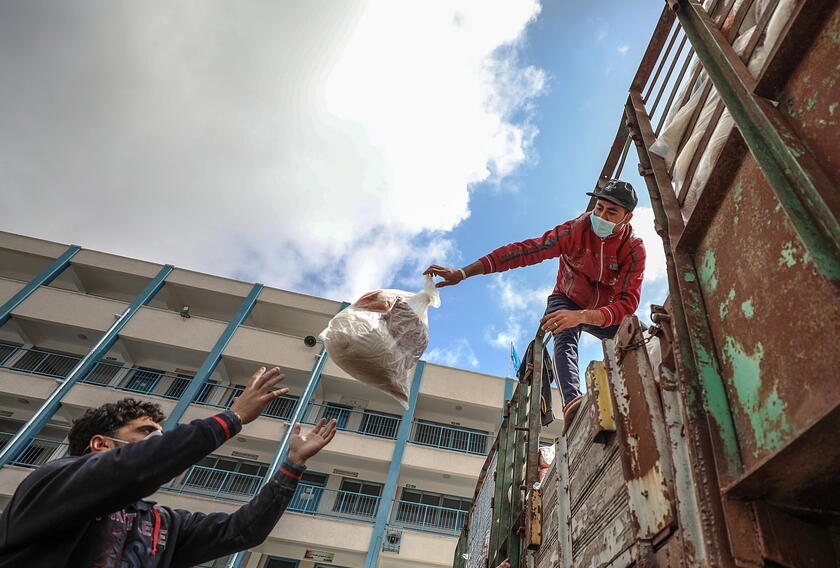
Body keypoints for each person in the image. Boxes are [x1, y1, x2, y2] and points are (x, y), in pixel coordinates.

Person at [0, 366, 337, 567]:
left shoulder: (162, 523)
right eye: (146, 432)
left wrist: (294, 464)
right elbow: (137, 468)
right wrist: (232, 418)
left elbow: (243, 530)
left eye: (161, 435)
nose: (158, 440)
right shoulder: (52, 483)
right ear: (101, 444)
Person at [424, 180, 646, 430]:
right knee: (562, 330)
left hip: (602, 311)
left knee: (640, 333)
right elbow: (523, 252)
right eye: (599, 208)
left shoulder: (633, 248)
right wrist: (464, 273)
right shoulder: (575, 231)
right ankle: (573, 403)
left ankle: (644, 385)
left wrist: (585, 316)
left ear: (627, 218)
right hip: (568, 298)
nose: (601, 216)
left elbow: (627, 303)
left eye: (611, 212)